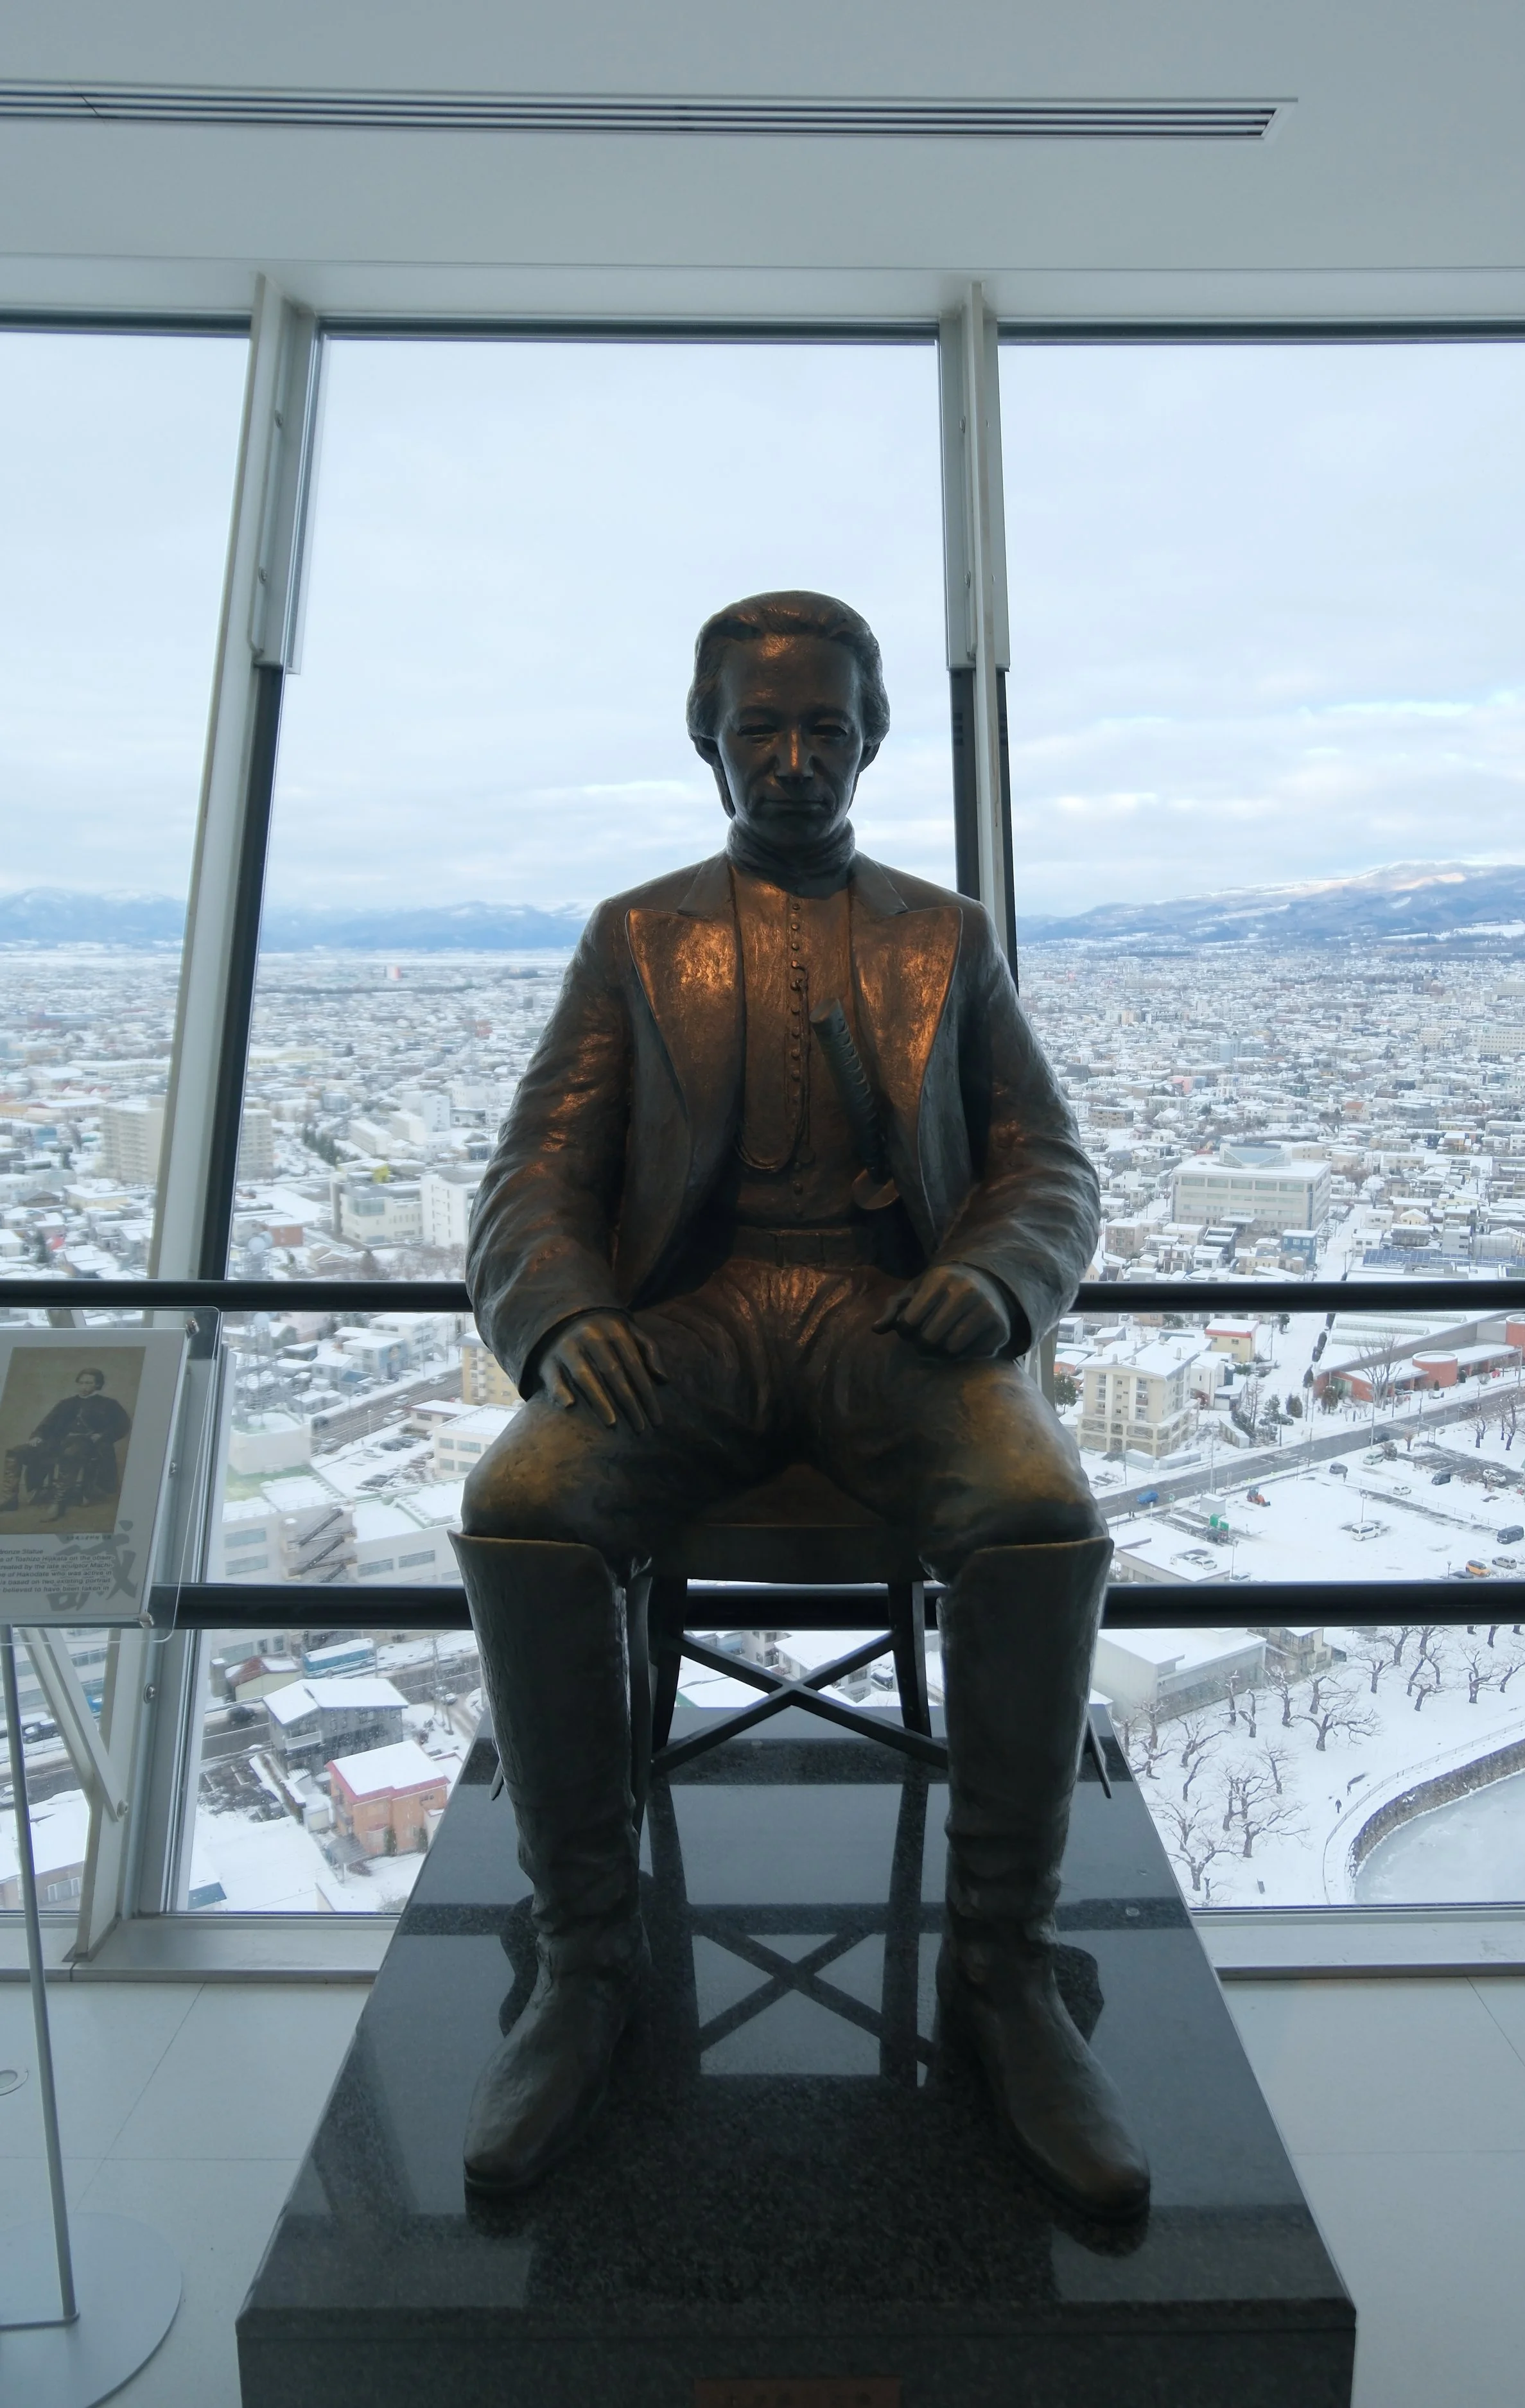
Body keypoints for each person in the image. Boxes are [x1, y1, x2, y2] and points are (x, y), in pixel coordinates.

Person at [452, 590, 1148, 2219]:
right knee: (523, 1500)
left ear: (870, 740)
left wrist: (996, 1276)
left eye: (822, 728)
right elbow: (537, 1165)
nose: (790, 759)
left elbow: (1046, 1159)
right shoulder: (636, 936)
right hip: (687, 1323)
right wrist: (564, 1312)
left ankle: (1003, 1967)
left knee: (1040, 1513)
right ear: (707, 740)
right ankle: (585, 1958)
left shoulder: (942, 937)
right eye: (758, 728)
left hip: (886, 1320)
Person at [0, 1365, 130, 1521]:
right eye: (81, 1383)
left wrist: (102, 1435)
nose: (84, 1387)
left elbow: (123, 1425)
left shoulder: (109, 1404)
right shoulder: (66, 1403)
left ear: (97, 1385)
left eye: (89, 1383)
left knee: (70, 1454)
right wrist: (38, 1436)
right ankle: (9, 1499)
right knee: (15, 1452)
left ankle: (58, 1504)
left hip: (88, 1444)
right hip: (59, 1442)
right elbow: (47, 1423)